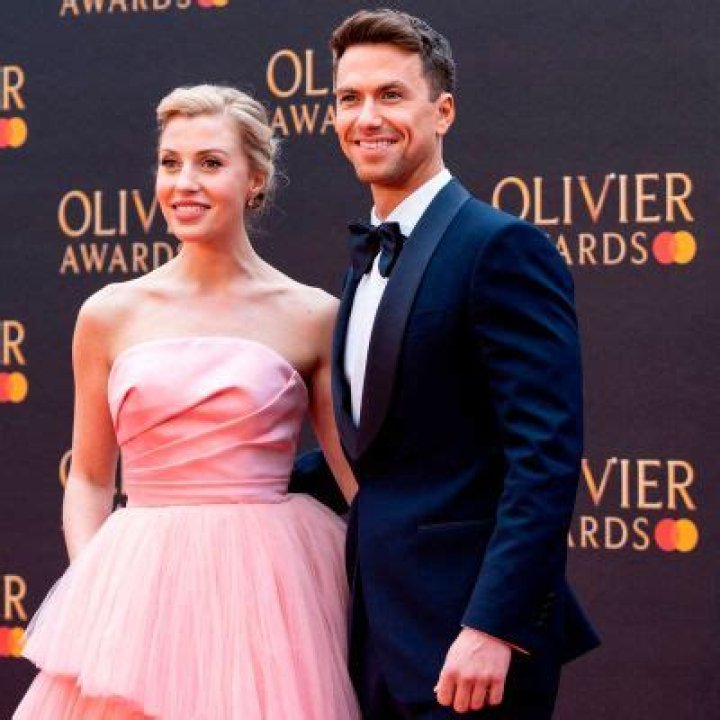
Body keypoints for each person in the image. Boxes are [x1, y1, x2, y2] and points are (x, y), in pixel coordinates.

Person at [14, 84, 360, 720]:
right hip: (140, 588)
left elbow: (353, 478)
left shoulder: (313, 316)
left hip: (269, 596)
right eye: (170, 163)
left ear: (255, 179)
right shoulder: (108, 315)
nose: (184, 183)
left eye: (210, 162)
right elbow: (89, 479)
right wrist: (102, 592)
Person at [328, 9, 600, 719]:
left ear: (442, 111)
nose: (367, 117)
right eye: (350, 98)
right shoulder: (365, 262)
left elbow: (544, 455)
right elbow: (392, 444)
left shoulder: (500, 247)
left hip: (470, 646)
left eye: (391, 95)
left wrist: (493, 625)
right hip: (377, 632)